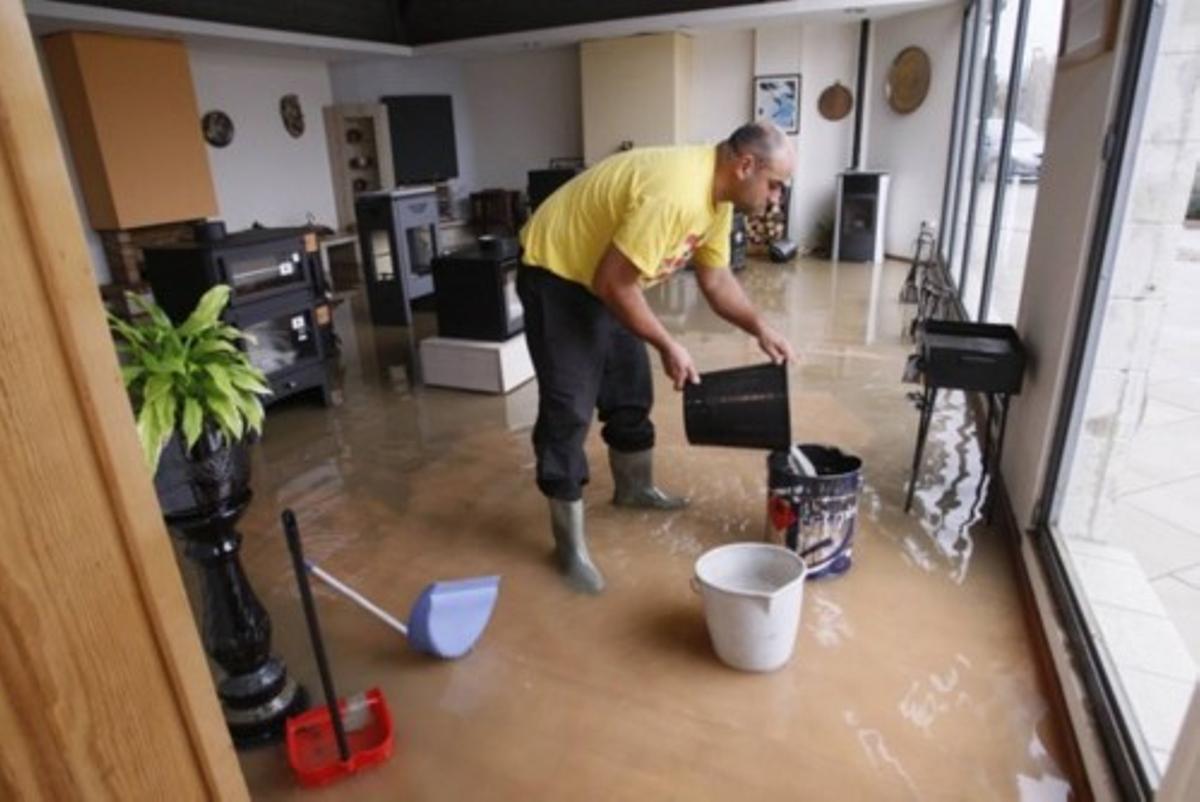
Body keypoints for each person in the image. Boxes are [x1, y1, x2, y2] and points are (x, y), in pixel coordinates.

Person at [517, 121, 797, 594]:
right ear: (745, 165)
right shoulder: (678, 194)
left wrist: (760, 327)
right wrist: (668, 343)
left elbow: (716, 280)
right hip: (557, 271)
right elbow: (613, 283)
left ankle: (634, 489)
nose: (776, 198)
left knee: (629, 389)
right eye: (774, 185)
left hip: (602, 276)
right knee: (569, 407)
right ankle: (569, 547)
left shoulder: (717, 200)